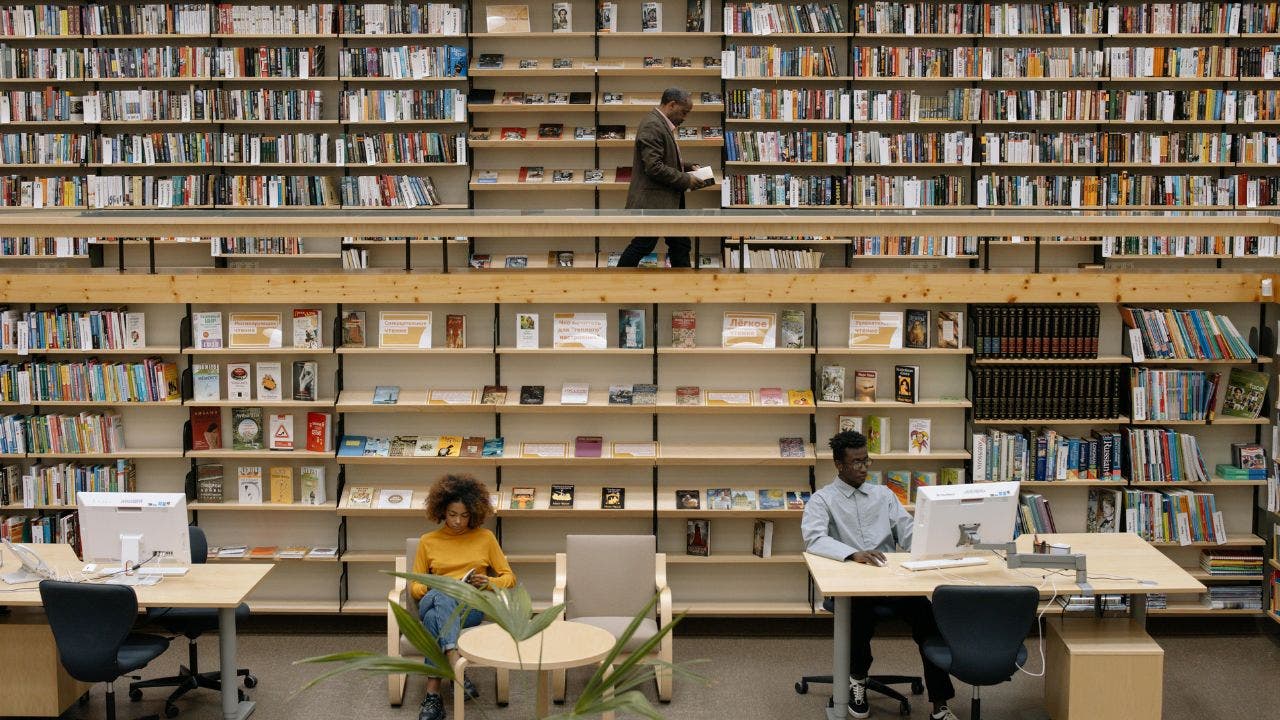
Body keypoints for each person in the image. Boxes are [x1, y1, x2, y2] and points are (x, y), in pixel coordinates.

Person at [801, 430, 957, 720]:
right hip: (852, 588)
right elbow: (814, 539)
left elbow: (908, 534)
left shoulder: (884, 495)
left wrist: (937, 541)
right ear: (839, 465)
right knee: (858, 618)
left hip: (892, 583)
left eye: (866, 461)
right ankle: (857, 681)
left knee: (929, 620)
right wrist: (852, 553)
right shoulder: (822, 500)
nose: (863, 468)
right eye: (856, 462)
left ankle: (940, 704)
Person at [412, 474, 515, 720]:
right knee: (443, 594)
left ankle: (433, 696)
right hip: (432, 599)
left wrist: (488, 582)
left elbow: (509, 578)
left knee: (433, 619)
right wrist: (438, 586)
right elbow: (415, 587)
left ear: (474, 513)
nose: (458, 521)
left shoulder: (485, 538)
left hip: (469, 608)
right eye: (452, 514)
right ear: (441, 511)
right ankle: (455, 663)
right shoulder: (428, 541)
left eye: (464, 515)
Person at [617, 87, 711, 268]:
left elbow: (661, 160)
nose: (685, 117)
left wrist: (687, 167)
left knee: (680, 245)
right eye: (684, 112)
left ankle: (681, 282)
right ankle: (617, 278)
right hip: (654, 202)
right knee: (643, 244)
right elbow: (654, 167)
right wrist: (686, 179)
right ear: (672, 105)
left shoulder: (659, 123)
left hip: (665, 201)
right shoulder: (653, 125)